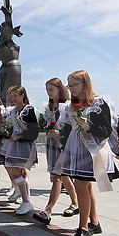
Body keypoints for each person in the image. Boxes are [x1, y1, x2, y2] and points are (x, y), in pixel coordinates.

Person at [61, 70, 113, 236]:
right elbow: (70, 128)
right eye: (69, 85)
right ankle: (95, 223)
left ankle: (83, 228)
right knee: (85, 186)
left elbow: (106, 130)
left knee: (81, 185)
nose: (71, 88)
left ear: (85, 83)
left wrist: (88, 126)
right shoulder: (73, 105)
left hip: (92, 150)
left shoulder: (98, 103)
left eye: (74, 84)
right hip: (77, 148)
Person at [32, 77, 79, 225]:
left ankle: (47, 210)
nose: (49, 92)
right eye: (47, 90)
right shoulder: (48, 107)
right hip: (52, 144)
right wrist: (50, 132)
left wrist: (61, 133)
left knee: (57, 176)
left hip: (64, 144)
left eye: (51, 89)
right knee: (63, 175)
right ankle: (75, 203)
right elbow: (47, 125)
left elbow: (73, 126)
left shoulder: (67, 106)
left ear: (60, 89)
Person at [4, 86, 39, 215]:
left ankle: (26, 200)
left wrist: (20, 137)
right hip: (15, 144)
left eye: (15, 96)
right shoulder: (14, 111)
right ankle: (25, 198)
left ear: (22, 95)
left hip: (24, 144)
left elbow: (33, 130)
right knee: (15, 170)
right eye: (11, 96)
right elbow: (11, 127)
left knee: (16, 170)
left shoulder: (28, 110)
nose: (13, 98)